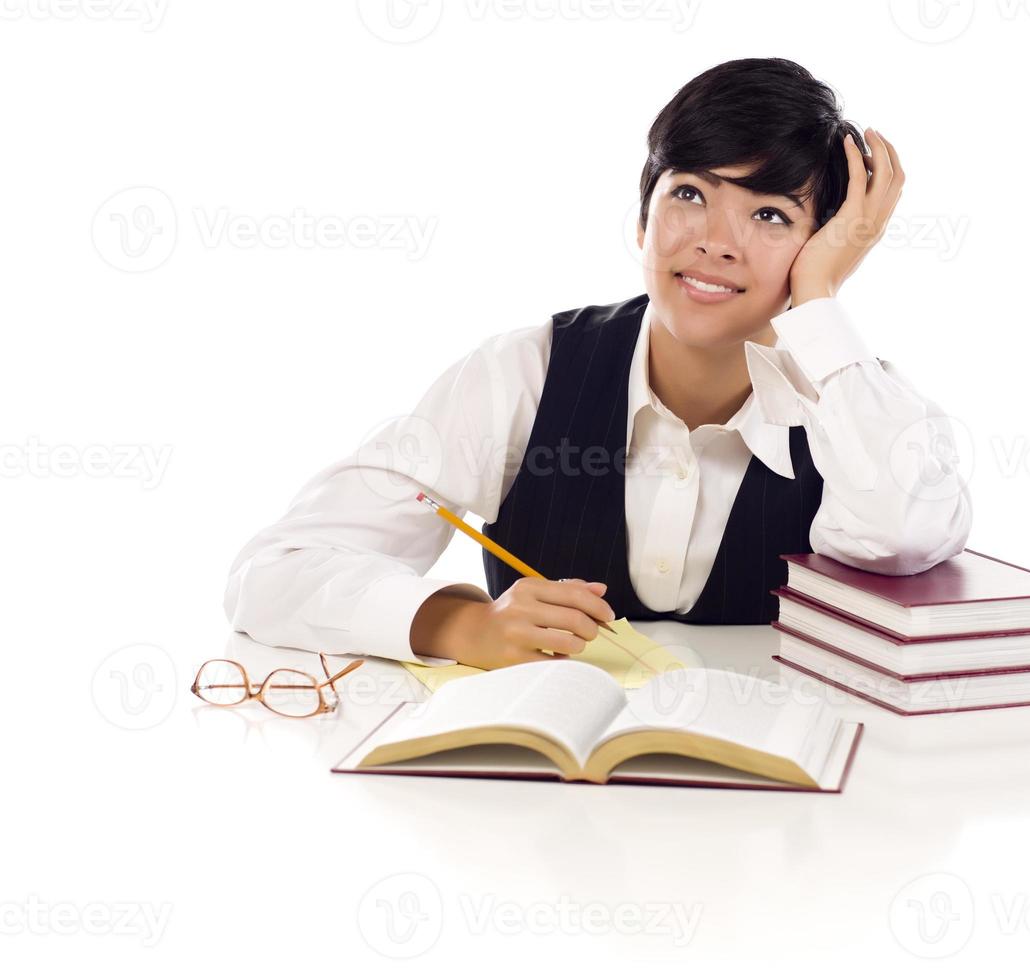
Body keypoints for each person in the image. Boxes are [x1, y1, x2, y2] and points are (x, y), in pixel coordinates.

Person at [223, 57, 972, 671]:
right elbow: (274, 571)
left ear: (822, 246)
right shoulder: (527, 372)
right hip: (542, 806)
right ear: (644, 218)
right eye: (690, 194)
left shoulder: (850, 401)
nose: (716, 241)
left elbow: (903, 536)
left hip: (775, 812)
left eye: (770, 214)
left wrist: (818, 304)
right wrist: (454, 624)